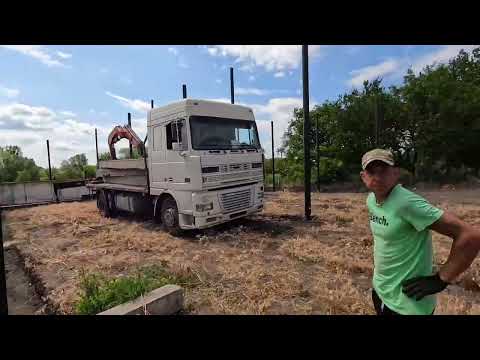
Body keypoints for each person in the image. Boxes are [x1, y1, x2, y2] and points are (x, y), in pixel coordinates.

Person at [360, 148, 480, 315]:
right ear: (363, 177)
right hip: (382, 291)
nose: (378, 177)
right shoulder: (371, 200)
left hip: (408, 303)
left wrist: (440, 279)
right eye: (372, 171)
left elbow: (471, 236)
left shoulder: (408, 203)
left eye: (384, 171)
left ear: (395, 173)